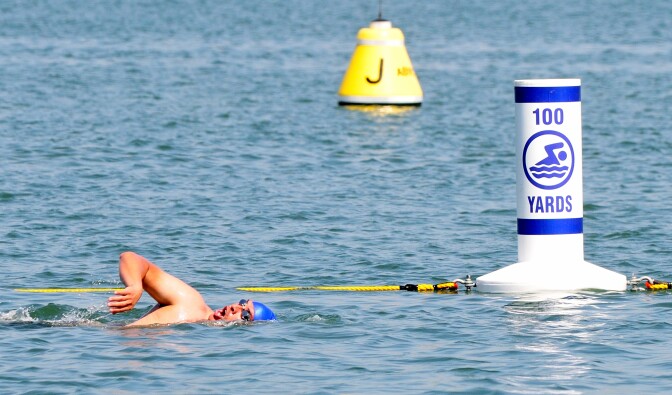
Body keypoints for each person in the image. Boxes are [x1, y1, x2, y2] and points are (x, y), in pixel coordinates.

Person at [107, 251, 276, 326]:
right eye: (242, 303)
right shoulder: (191, 302)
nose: (235, 307)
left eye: (245, 315)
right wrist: (135, 286)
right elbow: (129, 257)